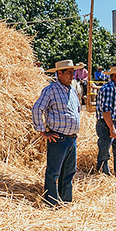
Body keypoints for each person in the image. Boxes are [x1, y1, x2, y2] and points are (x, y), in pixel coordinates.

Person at [32, 60, 82, 206]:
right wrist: (42, 130)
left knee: (69, 172)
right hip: (58, 138)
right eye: (68, 73)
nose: (72, 76)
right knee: (53, 172)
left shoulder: (72, 90)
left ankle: (66, 201)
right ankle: (51, 202)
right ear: (59, 73)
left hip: (71, 138)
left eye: (72, 73)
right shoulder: (51, 90)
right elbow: (37, 108)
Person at [95, 66, 116, 176]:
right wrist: (112, 128)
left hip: (110, 123)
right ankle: (102, 173)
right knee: (105, 151)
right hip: (106, 124)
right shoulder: (109, 88)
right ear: (115, 76)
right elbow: (106, 110)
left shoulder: (113, 88)